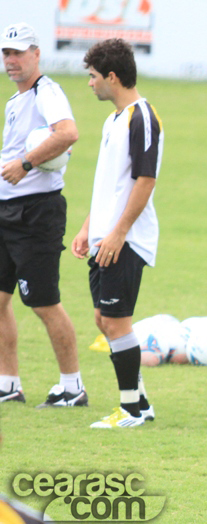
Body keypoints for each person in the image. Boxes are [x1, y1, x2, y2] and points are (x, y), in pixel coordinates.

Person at [71, 38, 162, 428]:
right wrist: (88, 227)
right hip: (104, 237)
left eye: (93, 77)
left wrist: (118, 233)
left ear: (112, 76)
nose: (90, 84)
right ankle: (139, 400)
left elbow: (145, 181)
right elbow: (109, 184)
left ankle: (131, 410)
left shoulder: (142, 117)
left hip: (124, 240)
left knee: (116, 322)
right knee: (102, 319)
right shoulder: (113, 120)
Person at [0, 22, 87, 408]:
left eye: (19, 52)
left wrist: (26, 162)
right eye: (6, 53)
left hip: (36, 214)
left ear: (36, 54)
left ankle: (73, 387)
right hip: (6, 210)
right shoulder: (16, 101)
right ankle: (8, 383)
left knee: (43, 302)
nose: (11, 60)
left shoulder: (46, 92)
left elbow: (68, 133)